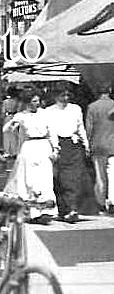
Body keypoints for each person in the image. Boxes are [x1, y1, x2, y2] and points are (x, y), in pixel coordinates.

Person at [3, 88, 58, 224]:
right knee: (29, 180)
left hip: (44, 146)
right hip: (29, 147)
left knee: (44, 179)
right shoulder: (22, 116)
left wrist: (55, 149)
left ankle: (46, 211)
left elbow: (52, 131)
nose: (37, 103)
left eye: (38, 100)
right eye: (34, 101)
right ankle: (32, 212)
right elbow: (6, 129)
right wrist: (12, 121)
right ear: (27, 103)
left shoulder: (46, 114)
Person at [45, 84, 89, 223]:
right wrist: (55, 147)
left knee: (74, 178)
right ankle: (63, 209)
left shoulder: (75, 109)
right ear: (55, 96)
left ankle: (72, 209)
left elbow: (80, 126)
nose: (65, 98)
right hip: (58, 145)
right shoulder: (49, 111)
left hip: (74, 144)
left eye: (67, 95)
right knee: (60, 178)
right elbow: (50, 130)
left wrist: (86, 144)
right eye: (62, 95)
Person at [85, 84, 114, 215]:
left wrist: (87, 145)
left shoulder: (92, 107)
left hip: (97, 145)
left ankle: (101, 203)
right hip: (112, 144)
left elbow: (89, 128)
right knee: (112, 174)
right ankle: (112, 201)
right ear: (110, 91)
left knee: (100, 176)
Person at [2, 87, 21, 158]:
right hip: (15, 117)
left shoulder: (5, 102)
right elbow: (19, 110)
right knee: (14, 134)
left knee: (6, 135)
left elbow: (3, 111)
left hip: (7, 117)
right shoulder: (17, 101)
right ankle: (14, 151)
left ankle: (7, 151)